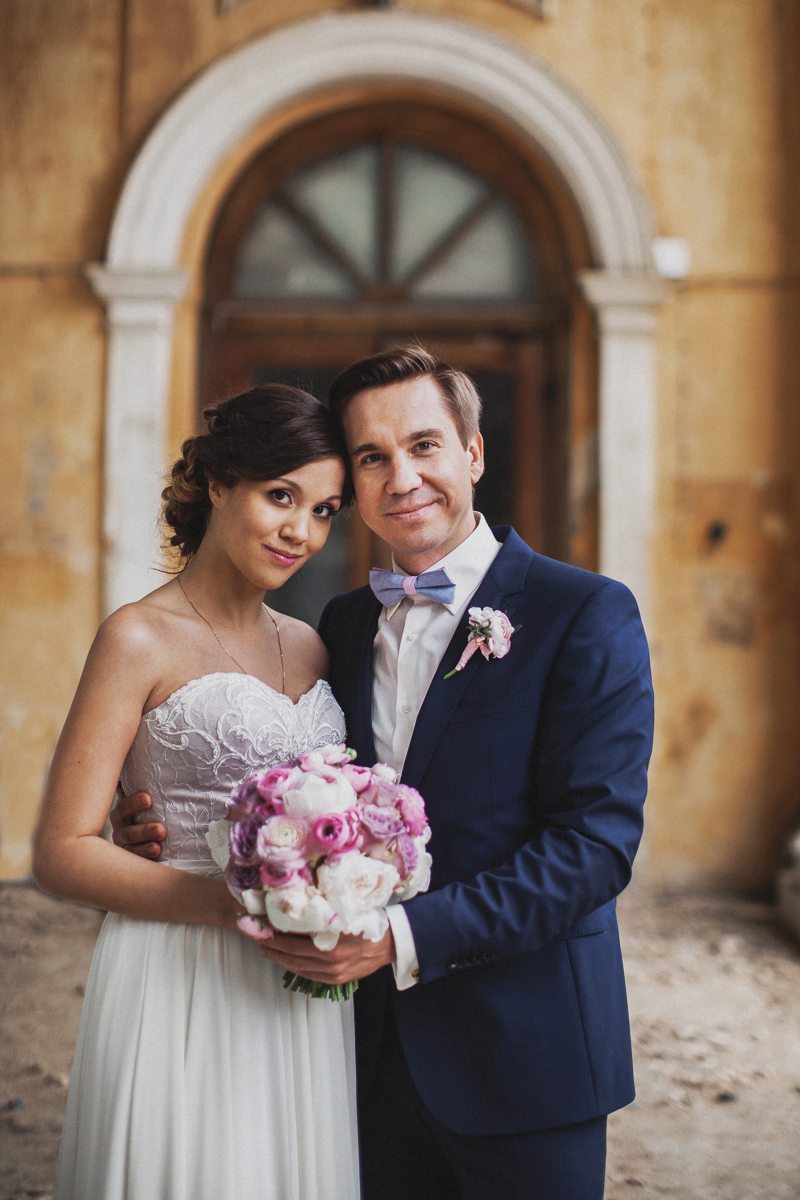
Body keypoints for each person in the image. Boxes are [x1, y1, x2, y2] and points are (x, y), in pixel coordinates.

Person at [117, 346, 654, 1200]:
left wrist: (399, 938)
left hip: (526, 1054)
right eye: (372, 457)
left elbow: (594, 849)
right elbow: (281, 778)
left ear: (474, 453)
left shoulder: (585, 612)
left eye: (424, 445)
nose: (402, 478)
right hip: (354, 1057)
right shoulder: (339, 624)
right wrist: (160, 818)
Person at [33, 384, 360, 1200]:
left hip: (298, 983)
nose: (301, 531)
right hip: (177, 966)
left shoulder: (312, 647)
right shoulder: (138, 637)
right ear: (218, 483)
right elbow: (61, 853)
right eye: (281, 495)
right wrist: (235, 904)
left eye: (324, 511)